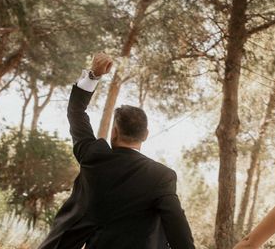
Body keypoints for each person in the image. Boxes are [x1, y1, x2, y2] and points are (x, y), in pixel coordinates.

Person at [38, 52, 195, 249]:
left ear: (114, 132)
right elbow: (179, 232)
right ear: (145, 135)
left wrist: (94, 75)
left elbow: (76, 111)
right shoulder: (161, 177)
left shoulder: (93, 156)